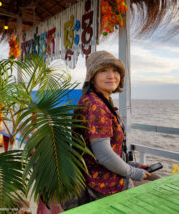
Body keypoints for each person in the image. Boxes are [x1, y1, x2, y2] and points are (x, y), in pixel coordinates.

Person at [62, 51, 158, 210]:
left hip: (102, 177)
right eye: (103, 70)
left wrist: (132, 164)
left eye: (115, 71)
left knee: (155, 179)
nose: (111, 75)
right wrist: (133, 172)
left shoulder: (100, 100)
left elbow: (98, 151)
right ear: (92, 76)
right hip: (103, 184)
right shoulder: (95, 105)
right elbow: (103, 155)